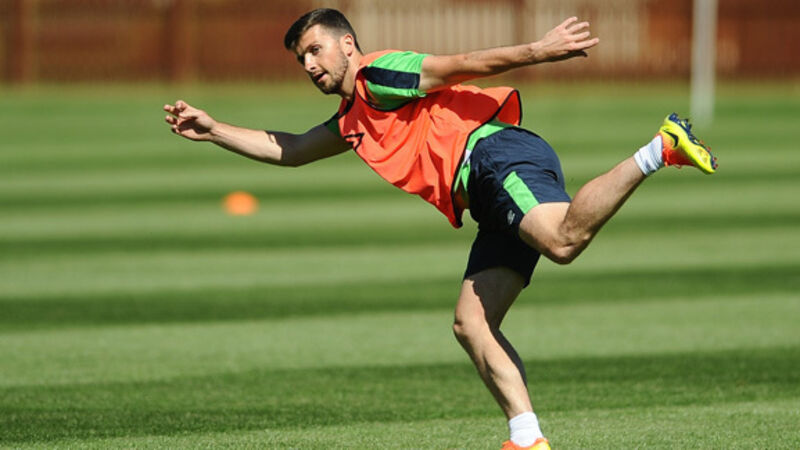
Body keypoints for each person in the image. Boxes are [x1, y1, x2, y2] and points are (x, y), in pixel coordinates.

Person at [164, 8, 717, 449]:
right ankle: (527, 438)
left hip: (494, 157)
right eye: (300, 58)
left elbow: (457, 65)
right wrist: (214, 130)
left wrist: (538, 51)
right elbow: (292, 148)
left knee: (562, 240)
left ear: (346, 44)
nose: (309, 65)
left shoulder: (379, 74)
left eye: (315, 50)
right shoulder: (354, 115)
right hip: (485, 190)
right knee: (471, 324)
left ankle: (660, 147)